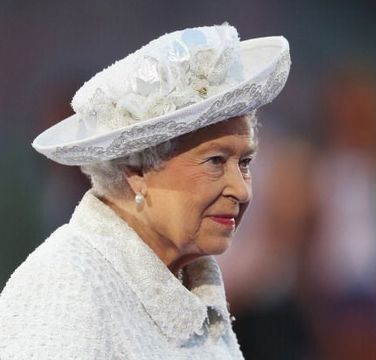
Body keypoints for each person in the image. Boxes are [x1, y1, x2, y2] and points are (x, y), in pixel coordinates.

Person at [0, 23, 290, 359]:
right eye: (214, 161)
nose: (241, 190)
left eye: (245, 162)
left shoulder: (192, 288)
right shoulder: (66, 286)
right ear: (137, 170)